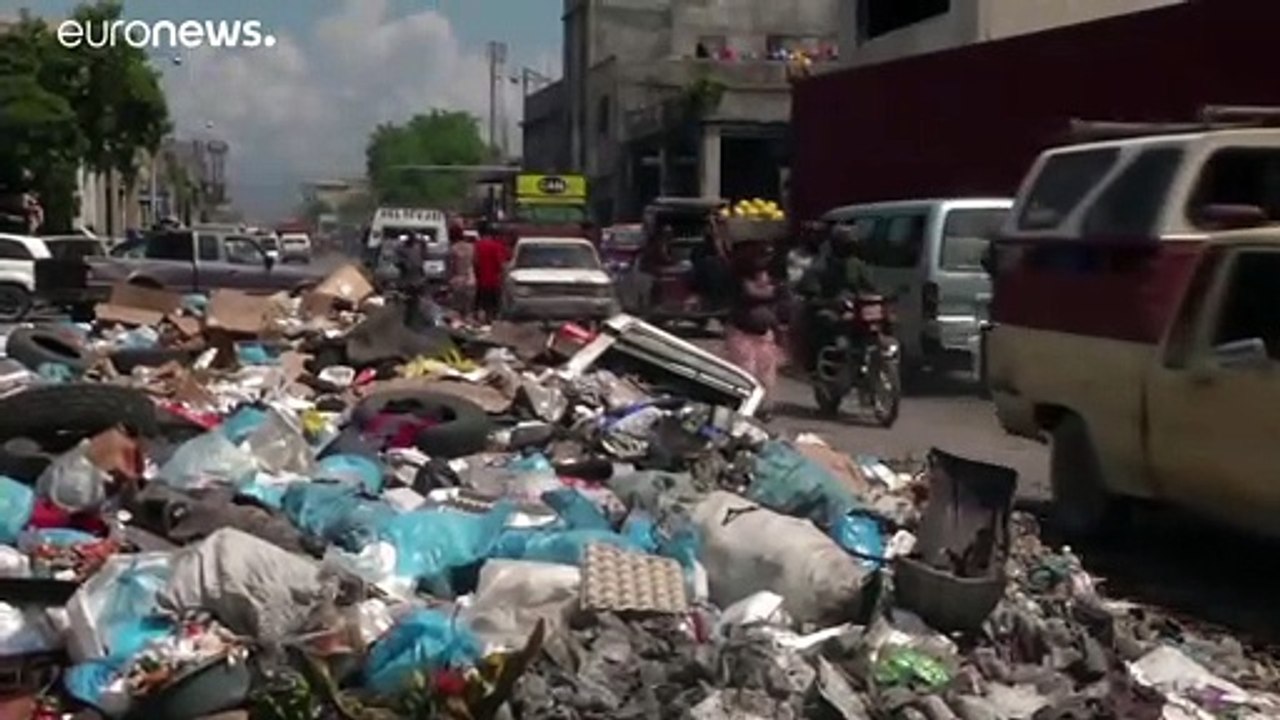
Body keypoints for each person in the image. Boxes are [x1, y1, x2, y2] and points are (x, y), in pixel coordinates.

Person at [724, 240, 783, 417]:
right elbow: (752, 294)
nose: (765, 261)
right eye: (762, 256)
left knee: (766, 373)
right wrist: (774, 292)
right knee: (746, 373)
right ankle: (744, 406)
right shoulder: (739, 277)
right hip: (743, 334)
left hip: (763, 335)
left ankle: (764, 407)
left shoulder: (766, 275)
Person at [473, 223, 509, 322]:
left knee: (481, 305)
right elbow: (501, 265)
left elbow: (475, 263)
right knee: (494, 307)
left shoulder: (477, 245)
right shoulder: (497, 246)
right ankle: (491, 321)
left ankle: (482, 320)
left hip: (481, 281)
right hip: (494, 281)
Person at [447, 224, 477, 319]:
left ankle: (458, 330)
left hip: (458, 279)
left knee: (457, 310)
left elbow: (451, 267)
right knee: (469, 310)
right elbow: (476, 263)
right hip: (471, 280)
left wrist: (448, 282)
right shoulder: (471, 247)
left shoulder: (453, 249)